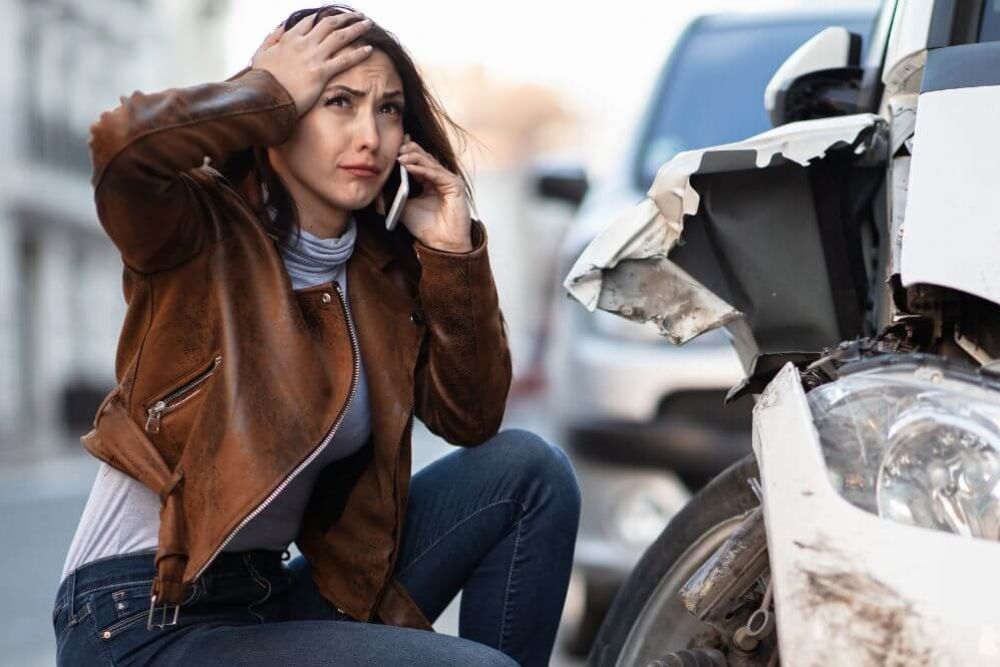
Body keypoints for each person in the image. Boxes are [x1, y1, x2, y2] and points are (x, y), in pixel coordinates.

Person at [51, 5, 580, 666]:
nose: (370, 135)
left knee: (531, 473)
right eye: (338, 101)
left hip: (269, 599)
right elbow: (120, 148)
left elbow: (472, 418)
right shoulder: (198, 232)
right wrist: (263, 89)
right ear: (282, 116)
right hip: (141, 618)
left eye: (388, 109)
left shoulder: (381, 276)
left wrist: (452, 254)